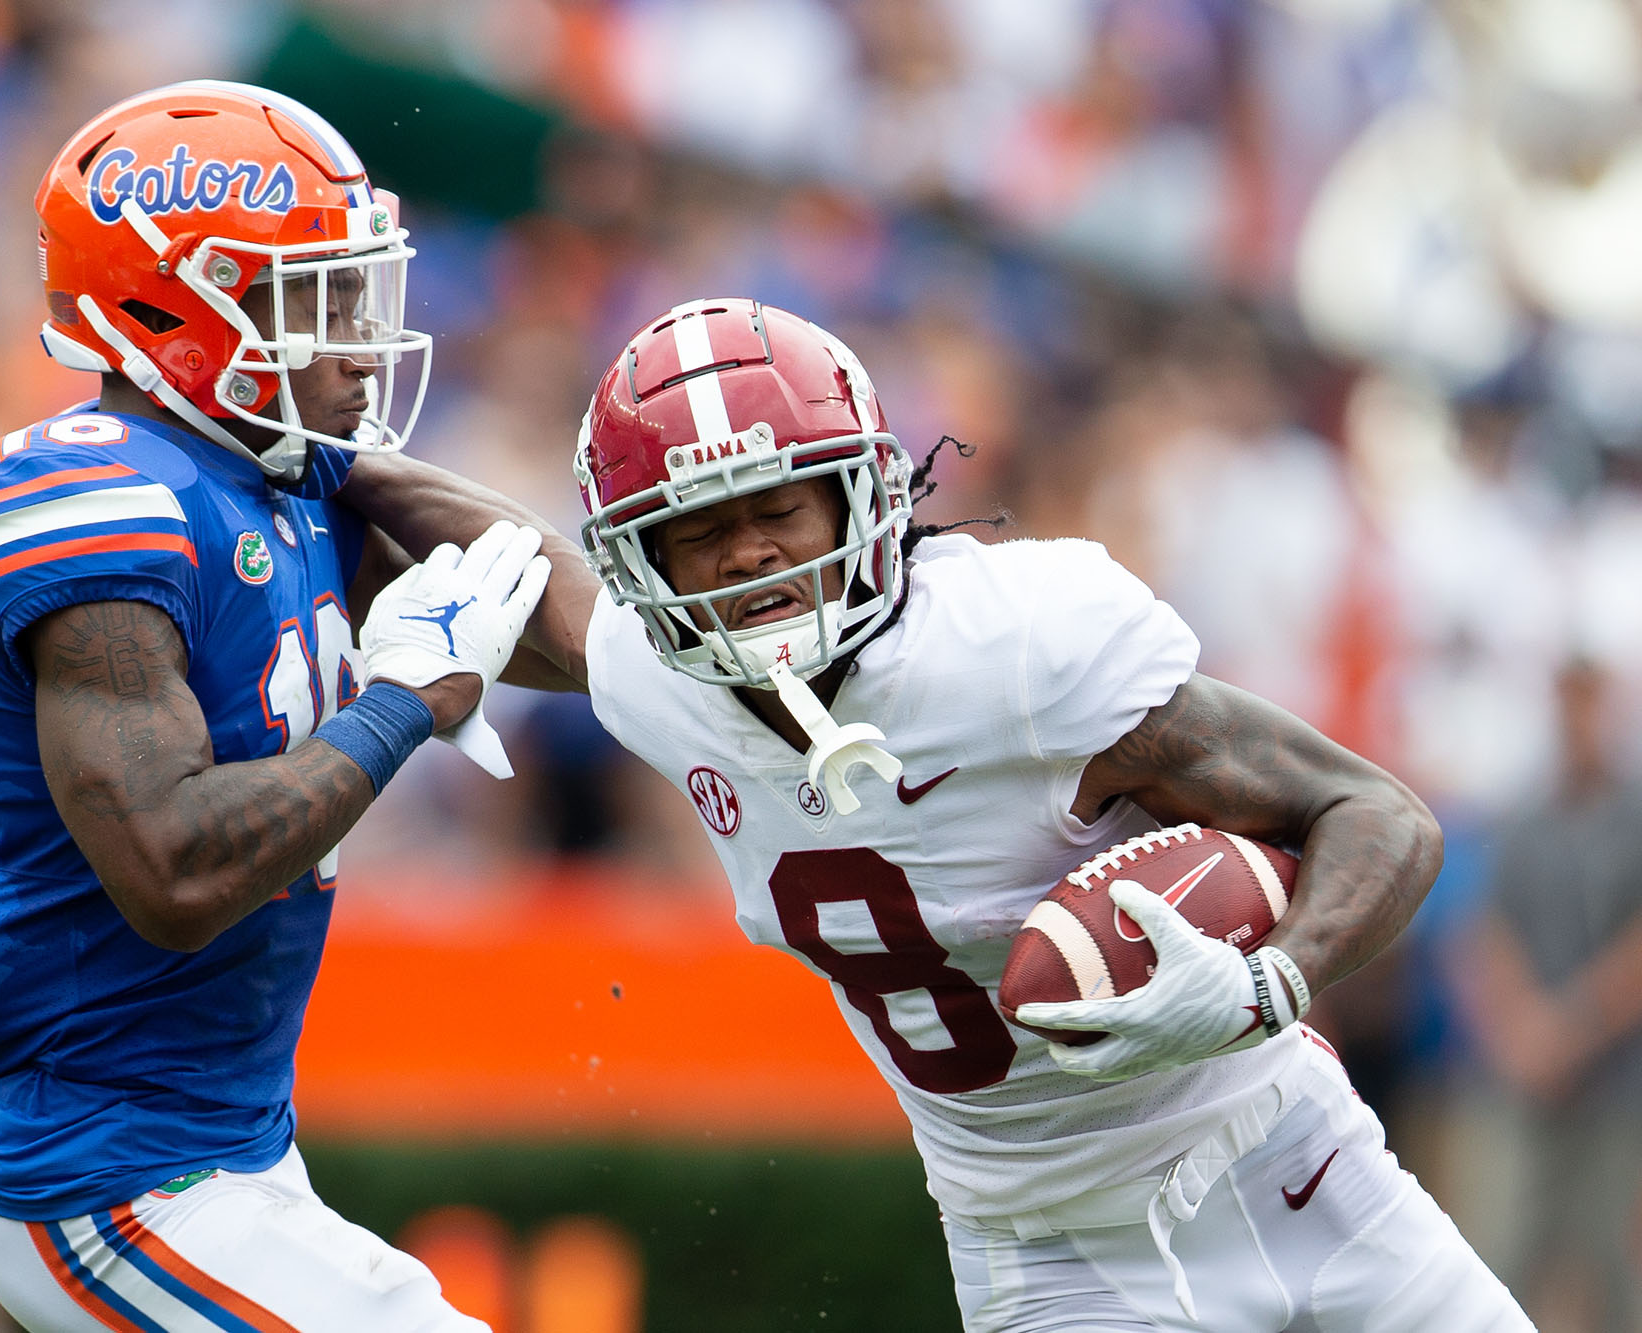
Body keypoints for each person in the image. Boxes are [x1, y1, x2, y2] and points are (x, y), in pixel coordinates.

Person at [536, 297, 1532, 1330]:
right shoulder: (651, 676)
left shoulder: (1014, 647)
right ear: (641, 565)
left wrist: (1266, 982)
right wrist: (354, 488)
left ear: (859, 495)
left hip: (1297, 1167)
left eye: (777, 510)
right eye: (698, 530)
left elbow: (1376, 813)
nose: (747, 554)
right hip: (1050, 1259)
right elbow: (508, 571)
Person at [0, 81, 576, 1331]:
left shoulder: (281, 479)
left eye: (352, 292)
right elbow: (170, 869)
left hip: (228, 1147)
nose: (350, 337)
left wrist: (359, 470)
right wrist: (397, 704)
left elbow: (579, 630)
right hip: (104, 1174)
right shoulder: (88, 497)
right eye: (308, 297)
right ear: (171, 300)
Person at [1452, 657, 1642, 1332]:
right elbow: (1485, 933)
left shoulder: (1633, 815)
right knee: (1503, 1254)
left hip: (1617, 1082)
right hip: (1526, 1076)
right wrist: (1523, 1034)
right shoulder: (1524, 817)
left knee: (1616, 1271)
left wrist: (1571, 1029)